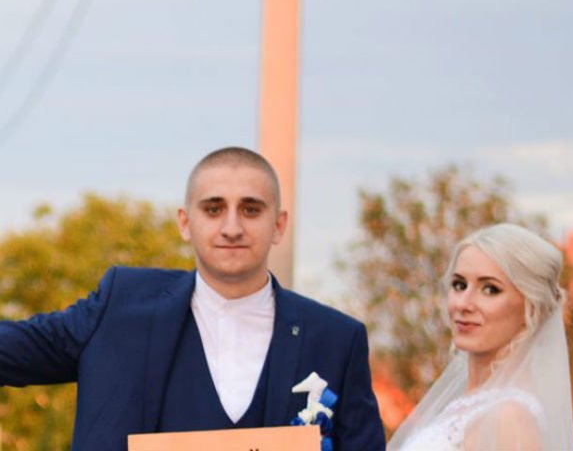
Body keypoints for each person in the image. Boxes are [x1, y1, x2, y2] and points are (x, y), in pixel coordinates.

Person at [0, 147, 386, 451]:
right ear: (185, 222)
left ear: (278, 225)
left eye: (251, 209)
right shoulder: (118, 309)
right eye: (213, 209)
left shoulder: (336, 339)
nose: (232, 227)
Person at [388, 223, 573, 450]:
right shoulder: (462, 405)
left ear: (533, 306)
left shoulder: (510, 418)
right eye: (459, 285)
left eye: (490, 289)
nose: (463, 304)